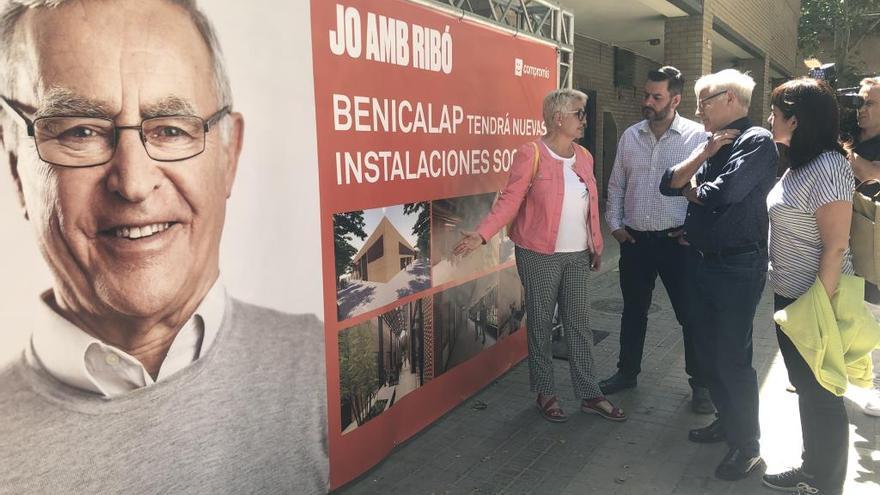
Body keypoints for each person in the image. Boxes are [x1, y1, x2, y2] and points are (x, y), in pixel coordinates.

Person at [0, 1, 328, 493]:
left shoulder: (331, 367)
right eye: (80, 131)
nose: (133, 183)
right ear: (15, 170)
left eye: (171, 129)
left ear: (229, 156)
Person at [454, 89, 625, 423]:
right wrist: (483, 233)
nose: (584, 121)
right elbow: (510, 200)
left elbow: (591, 206)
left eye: (584, 114)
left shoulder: (585, 156)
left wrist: (596, 246)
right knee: (542, 322)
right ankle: (545, 392)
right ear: (558, 117)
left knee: (579, 323)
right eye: (579, 113)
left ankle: (589, 393)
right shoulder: (530, 153)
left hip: (576, 255)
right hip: (538, 254)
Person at [659, 69, 777, 481]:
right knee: (710, 355)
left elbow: (721, 194)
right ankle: (727, 425)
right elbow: (667, 184)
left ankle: (748, 448)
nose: (697, 111)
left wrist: (694, 190)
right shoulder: (713, 143)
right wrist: (704, 157)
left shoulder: (756, 140)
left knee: (732, 359)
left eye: (703, 102)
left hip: (736, 265)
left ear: (730, 100)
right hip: (705, 262)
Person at [601, 65, 713, 414]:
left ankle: (701, 384)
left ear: (675, 99)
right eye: (645, 94)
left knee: (690, 316)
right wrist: (615, 225)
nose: (647, 101)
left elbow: (708, 191)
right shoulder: (630, 136)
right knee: (633, 311)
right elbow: (617, 183)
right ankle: (626, 372)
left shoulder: (697, 138)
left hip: (677, 245)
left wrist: (693, 230)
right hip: (635, 242)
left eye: (656, 96)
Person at [762, 78, 854, 495]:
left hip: (814, 299)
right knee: (807, 391)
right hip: (789, 295)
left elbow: (835, 247)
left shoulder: (831, 166)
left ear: (795, 120)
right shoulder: (800, 163)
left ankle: (827, 485)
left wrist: (818, 308)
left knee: (823, 397)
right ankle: (810, 469)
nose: (770, 119)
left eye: (776, 113)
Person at [848, 77, 880, 418]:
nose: (861, 110)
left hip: (874, 244)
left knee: (875, 314)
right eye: (860, 101)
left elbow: (869, 171)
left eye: (869, 103)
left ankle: (876, 384)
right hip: (844, 240)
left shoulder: (850, 146)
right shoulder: (852, 136)